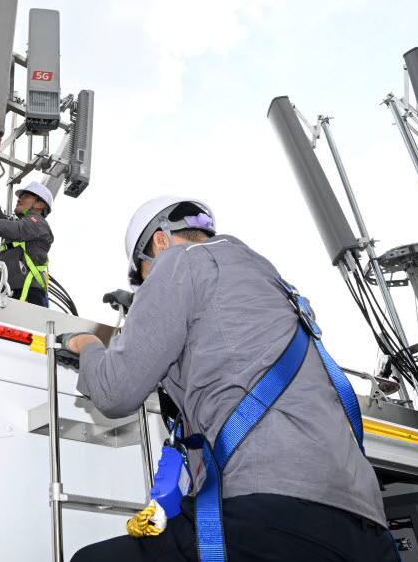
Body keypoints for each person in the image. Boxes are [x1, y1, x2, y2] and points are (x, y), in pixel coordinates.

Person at [59, 196, 397, 562]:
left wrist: (88, 345)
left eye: (144, 274)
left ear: (159, 241)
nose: (147, 285)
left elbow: (115, 391)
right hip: (367, 528)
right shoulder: (276, 284)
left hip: (271, 512)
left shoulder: (178, 261)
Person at [0, 181, 54, 307]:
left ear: (40, 204)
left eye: (26, 196)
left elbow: (15, 229)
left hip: (25, 295)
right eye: (20, 196)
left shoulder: (38, 223)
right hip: (7, 292)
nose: (19, 199)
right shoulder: (22, 226)